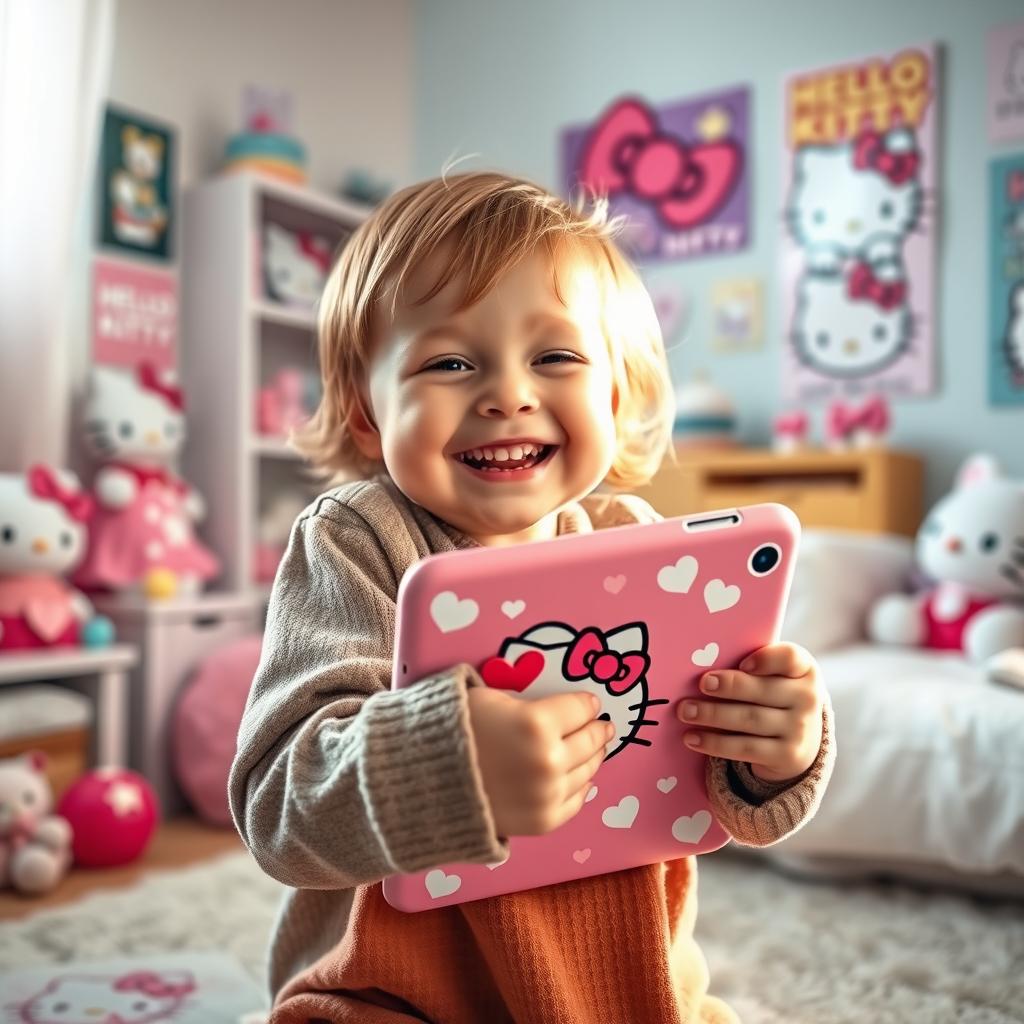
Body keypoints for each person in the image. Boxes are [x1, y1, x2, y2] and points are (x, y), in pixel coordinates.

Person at [229, 171, 835, 1024]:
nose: (508, 394)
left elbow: (703, 777)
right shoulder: (358, 541)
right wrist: (446, 765)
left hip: (630, 985)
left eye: (555, 357)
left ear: (616, 397)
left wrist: (775, 748)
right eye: (447, 362)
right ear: (368, 413)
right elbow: (279, 810)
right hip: (392, 990)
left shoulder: (640, 540)